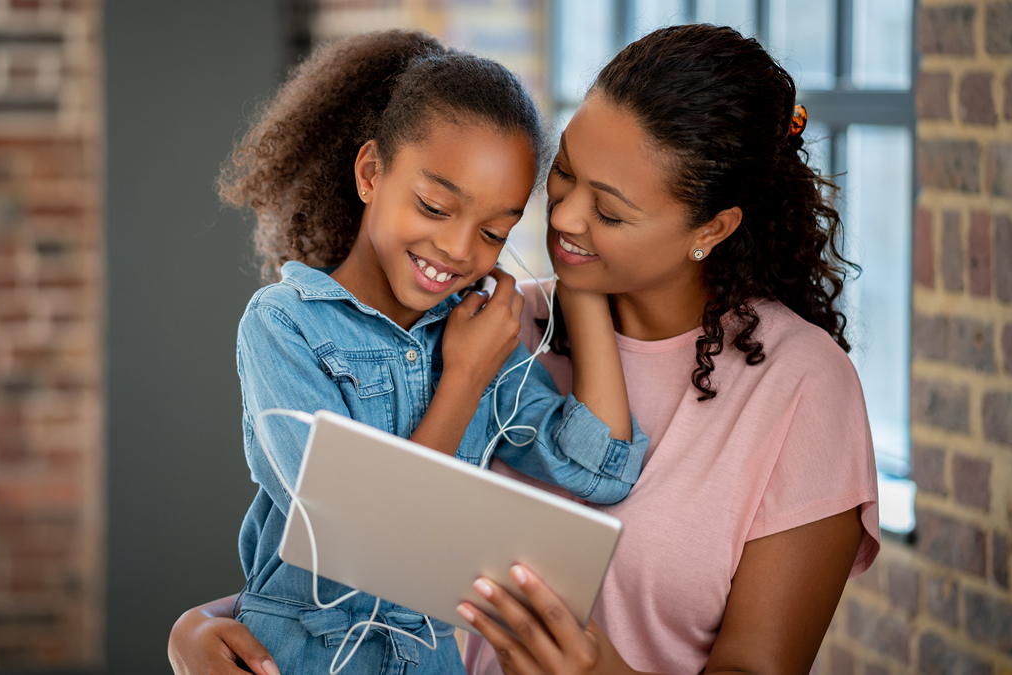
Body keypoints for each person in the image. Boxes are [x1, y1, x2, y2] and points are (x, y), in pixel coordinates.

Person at [172, 30, 651, 675]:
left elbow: (599, 468)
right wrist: (466, 379)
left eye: (493, 232)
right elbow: (358, 533)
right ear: (371, 174)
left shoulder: (478, 332)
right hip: (298, 656)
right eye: (433, 206)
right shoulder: (286, 328)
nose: (457, 248)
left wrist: (581, 281)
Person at [456, 24, 879, 675]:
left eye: (612, 212)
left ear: (711, 228)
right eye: (565, 171)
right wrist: (240, 623)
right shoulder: (496, 323)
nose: (564, 218)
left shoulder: (803, 387)